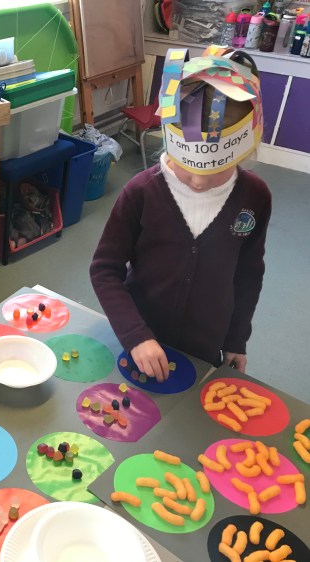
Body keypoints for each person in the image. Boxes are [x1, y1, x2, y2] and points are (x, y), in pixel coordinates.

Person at [90, 46, 271, 381]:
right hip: (139, 340)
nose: (199, 182)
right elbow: (104, 269)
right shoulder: (141, 191)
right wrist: (136, 335)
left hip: (204, 346)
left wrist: (236, 340)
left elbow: (248, 274)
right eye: (189, 168)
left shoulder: (254, 196)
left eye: (216, 170)